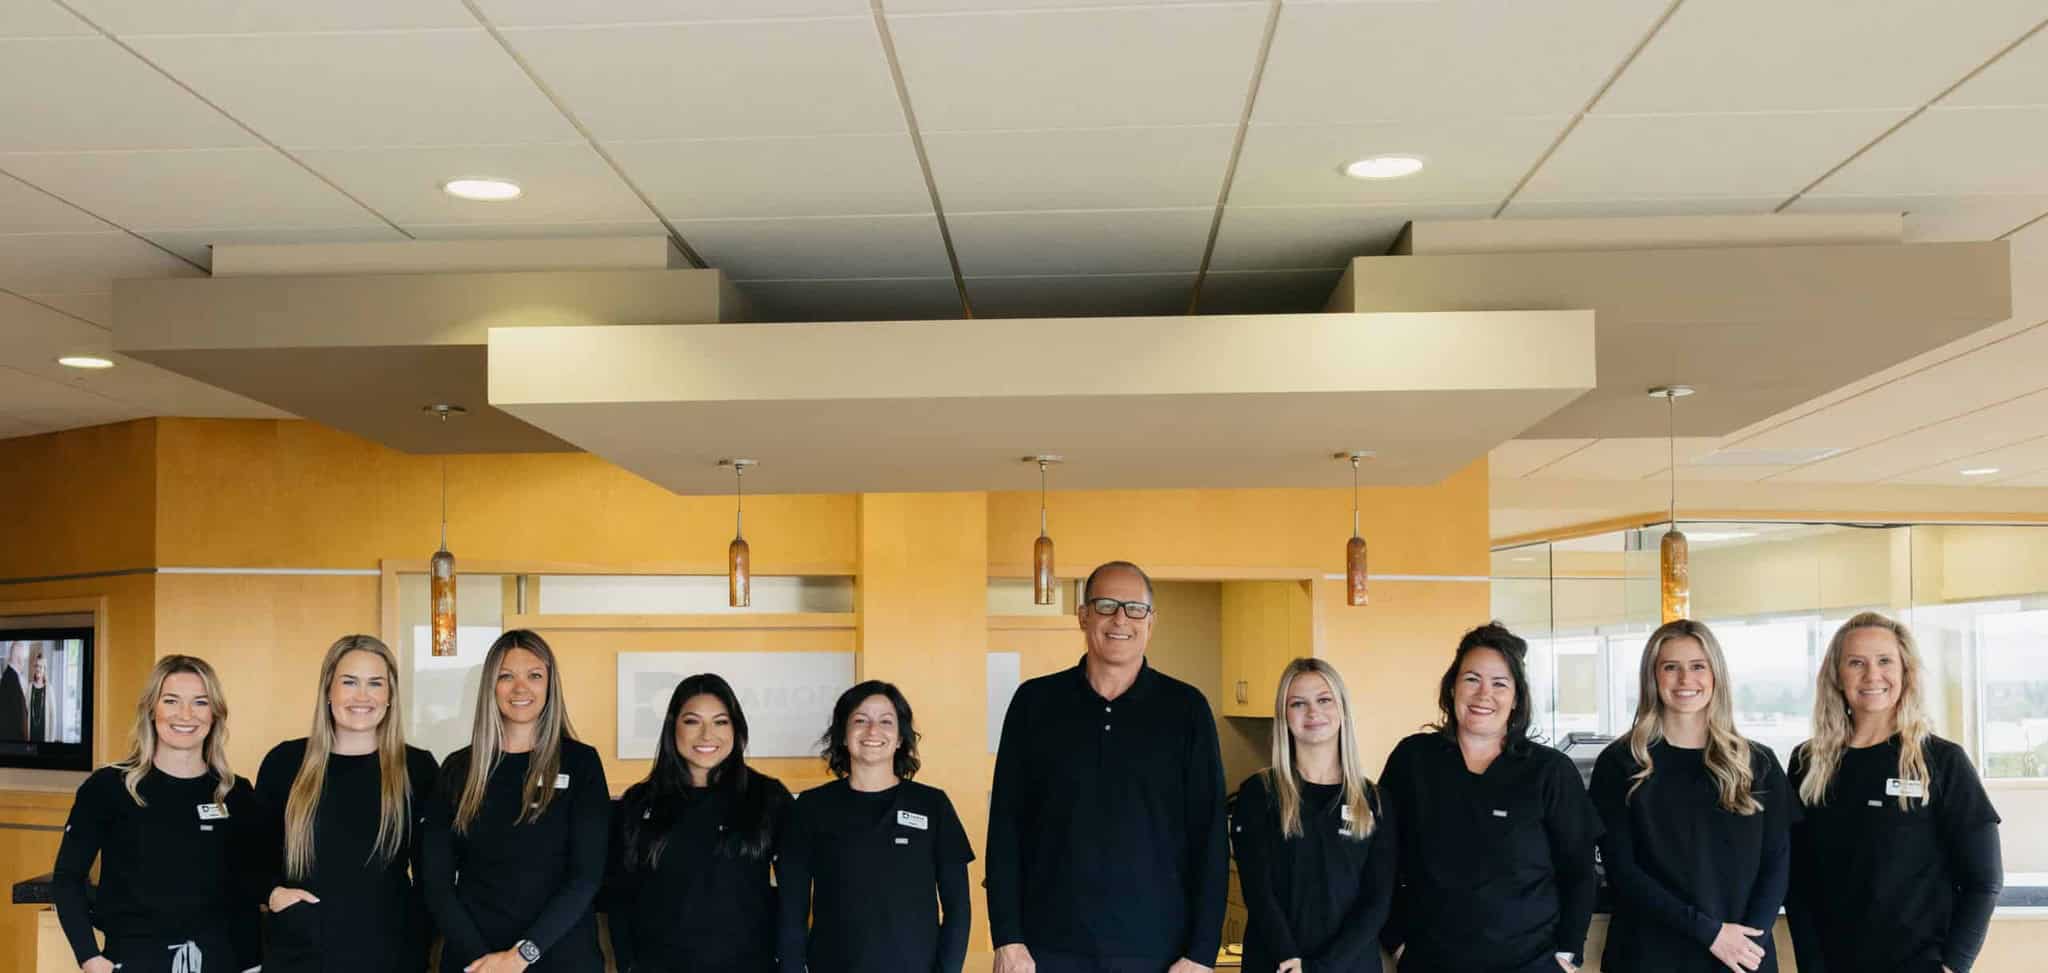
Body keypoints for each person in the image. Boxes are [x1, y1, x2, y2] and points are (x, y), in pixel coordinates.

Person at [986, 560, 1229, 973]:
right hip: (1047, 949)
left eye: (1135, 608)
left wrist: (1202, 953)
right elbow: (1006, 826)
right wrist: (1007, 937)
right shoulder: (1035, 703)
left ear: (1151, 621)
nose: (1120, 619)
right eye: (1106, 605)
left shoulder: (1186, 709)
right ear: (1083, 615)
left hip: (1158, 951)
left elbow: (1209, 837)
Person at [1378, 622, 1601, 973]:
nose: (1484, 694)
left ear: (1516, 698)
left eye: (1500, 683)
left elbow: (1579, 870)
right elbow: (1379, 857)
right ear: (1452, 687)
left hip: (1529, 964)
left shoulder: (1550, 771)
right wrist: (1396, 941)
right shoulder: (1413, 760)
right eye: (1472, 679)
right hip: (1430, 962)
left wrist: (1568, 952)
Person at [1787, 612, 2003, 973]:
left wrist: (1954, 965)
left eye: (1885, 661)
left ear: (1905, 672)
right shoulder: (1807, 762)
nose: (1872, 675)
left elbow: (1984, 880)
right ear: (1837, 676)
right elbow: (1797, 881)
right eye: (1856, 663)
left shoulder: (1942, 760)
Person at [1589, 620, 1792, 973]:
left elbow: (1777, 863)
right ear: (1653, 677)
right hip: (1648, 956)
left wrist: (1749, 944)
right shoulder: (1620, 763)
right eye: (1671, 667)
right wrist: (1711, 934)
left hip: (1740, 958)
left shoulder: (1758, 762)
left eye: (1698, 666)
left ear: (1716, 675)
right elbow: (1623, 871)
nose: (1685, 679)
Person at [51, 654, 263, 973]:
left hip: (222, 961)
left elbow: (246, 890)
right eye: (171, 701)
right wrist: (89, 957)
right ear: (152, 709)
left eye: (200, 702)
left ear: (215, 713)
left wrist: (252, 966)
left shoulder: (236, 792)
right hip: (135, 960)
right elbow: (67, 879)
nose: (186, 714)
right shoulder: (107, 787)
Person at [422, 630, 609, 973]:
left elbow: (585, 877)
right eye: (506, 676)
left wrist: (521, 956)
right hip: (475, 960)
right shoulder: (457, 769)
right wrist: (485, 962)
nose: (520, 688)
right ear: (490, 687)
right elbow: (437, 884)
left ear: (550, 685)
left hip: (562, 957)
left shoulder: (581, 764)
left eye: (534, 675)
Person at [254, 634, 440, 973]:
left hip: (390, 956)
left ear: (390, 696)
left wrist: (418, 938)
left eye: (375, 683)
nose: (362, 696)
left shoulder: (418, 767)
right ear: (328, 689)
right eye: (349, 682)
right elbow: (252, 855)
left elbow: (432, 872)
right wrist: (273, 894)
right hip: (301, 956)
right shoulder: (285, 762)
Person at [778, 680, 973, 973]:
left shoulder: (932, 805)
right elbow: (792, 909)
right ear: (843, 735)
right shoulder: (810, 807)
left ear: (900, 738)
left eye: (886, 721)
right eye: (860, 720)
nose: (872, 731)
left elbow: (958, 908)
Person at [609, 673, 792, 973]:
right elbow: (620, 895)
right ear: (673, 728)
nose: (707, 735)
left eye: (720, 722)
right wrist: (627, 963)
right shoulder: (638, 802)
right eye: (692, 721)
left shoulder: (767, 797)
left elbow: (794, 893)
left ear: (736, 728)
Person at [1230, 658, 1395, 973]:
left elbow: (1377, 902)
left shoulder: (1374, 801)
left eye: (1324, 700)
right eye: (1298, 703)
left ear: (1342, 709)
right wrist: (1290, 960)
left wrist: (1323, 968)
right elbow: (1259, 893)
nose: (1313, 712)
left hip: (1349, 966)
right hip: (1277, 964)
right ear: (1284, 715)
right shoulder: (1259, 793)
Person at [0, 642, 30, 740]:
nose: (24, 662)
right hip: (13, 739)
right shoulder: (11, 679)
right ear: (19, 659)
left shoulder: (10, 676)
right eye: (24, 658)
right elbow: (18, 717)